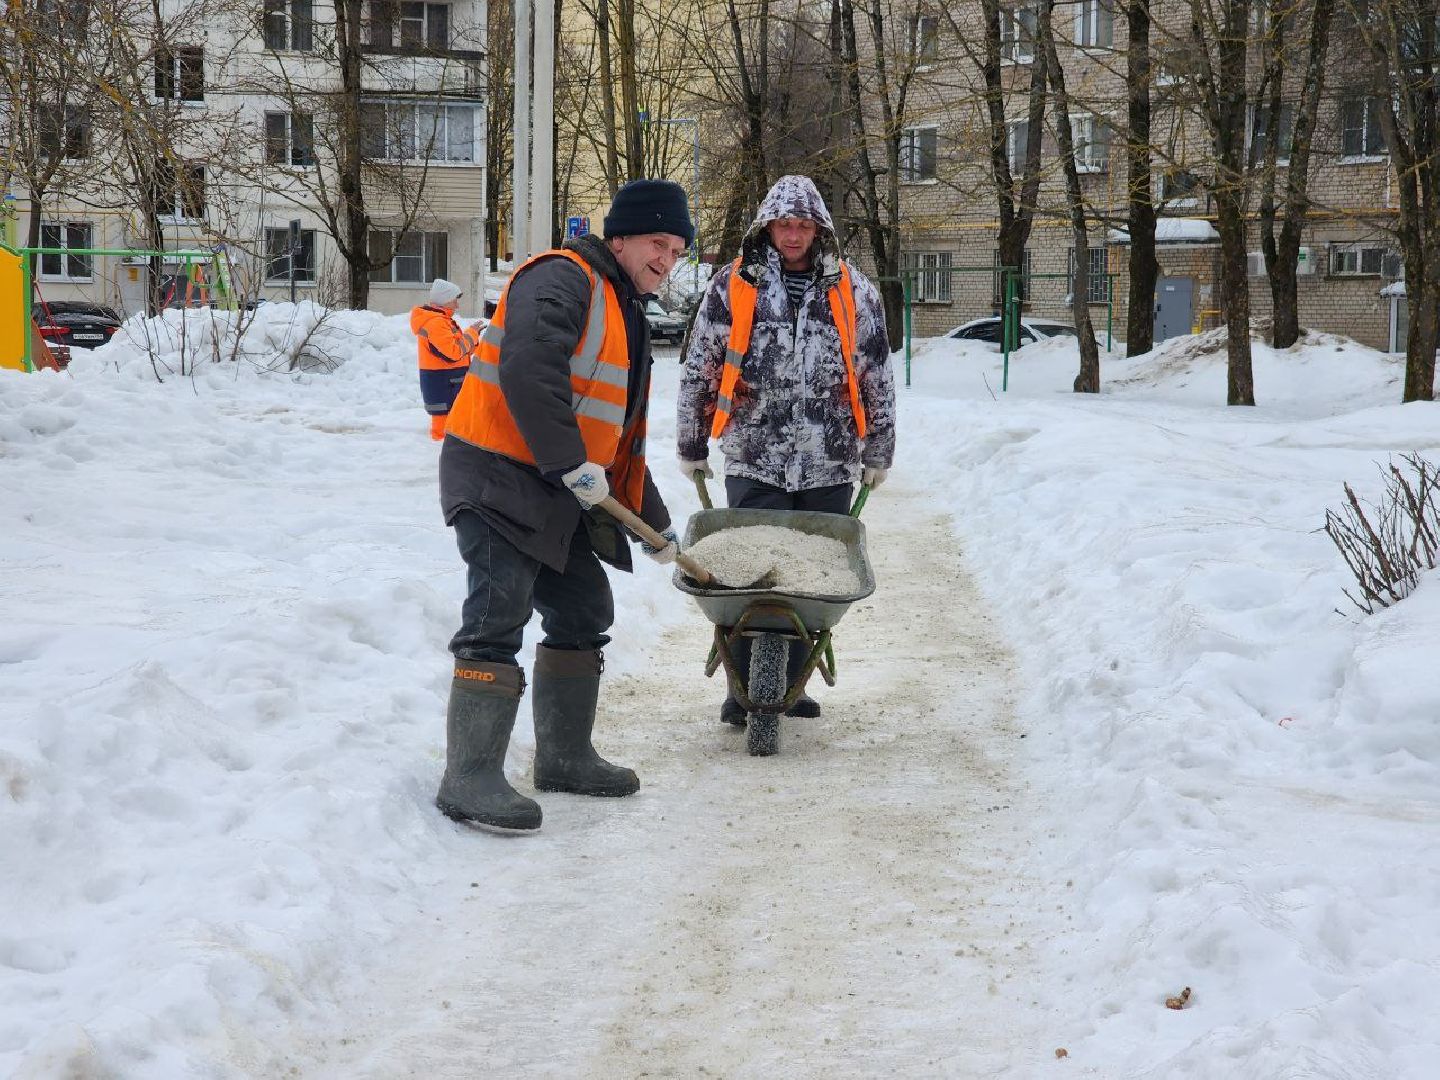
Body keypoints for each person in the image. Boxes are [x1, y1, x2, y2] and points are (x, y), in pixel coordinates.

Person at [434, 179, 693, 832]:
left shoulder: (625, 310)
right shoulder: (563, 277)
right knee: (499, 609)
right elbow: (528, 366)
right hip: (496, 475)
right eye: (658, 242)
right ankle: (468, 778)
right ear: (622, 236)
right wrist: (569, 463)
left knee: (583, 607)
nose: (667, 258)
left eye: (678, 248)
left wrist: (658, 530)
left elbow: (620, 445)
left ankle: (565, 756)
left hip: (554, 488)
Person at [676, 174, 895, 725]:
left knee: (812, 579)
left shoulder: (855, 290)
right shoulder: (732, 286)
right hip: (755, 453)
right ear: (766, 226)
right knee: (751, 576)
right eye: (784, 225)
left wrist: (879, 450)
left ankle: (789, 683)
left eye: (803, 226)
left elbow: (877, 374)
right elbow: (699, 366)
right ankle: (742, 685)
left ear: (818, 229)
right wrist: (692, 442)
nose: (793, 235)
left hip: (829, 456)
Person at [412, 278, 481, 441]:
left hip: (448, 384)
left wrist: (477, 344)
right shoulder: (435, 324)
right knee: (442, 436)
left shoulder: (442, 321)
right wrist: (471, 334)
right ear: (444, 300)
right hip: (444, 386)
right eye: (454, 300)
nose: (457, 305)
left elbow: (457, 348)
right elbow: (454, 352)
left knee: (452, 432)